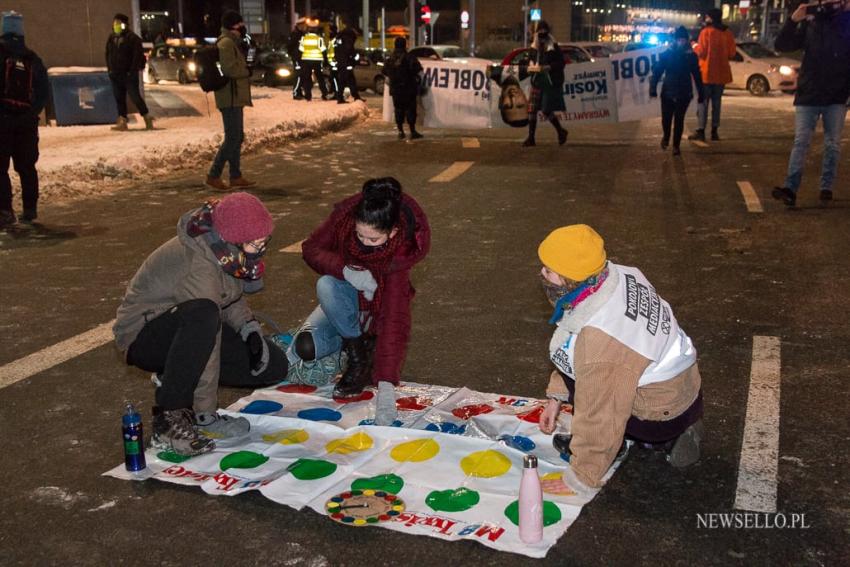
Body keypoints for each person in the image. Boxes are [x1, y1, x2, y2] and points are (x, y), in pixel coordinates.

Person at [113, 192, 287, 456]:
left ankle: (175, 374)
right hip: (143, 335)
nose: (261, 249)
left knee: (272, 366)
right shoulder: (200, 264)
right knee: (204, 316)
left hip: (189, 323)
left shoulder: (223, 250)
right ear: (233, 239)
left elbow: (227, 293)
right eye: (255, 243)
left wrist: (247, 327)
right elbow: (207, 332)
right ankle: (169, 418)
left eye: (265, 241)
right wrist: (206, 414)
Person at [536, 225, 704, 494]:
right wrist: (557, 396)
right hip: (683, 390)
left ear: (570, 280)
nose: (542, 274)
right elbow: (571, 338)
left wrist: (580, 476)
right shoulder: (616, 275)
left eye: (548, 271)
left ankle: (650, 439)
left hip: (661, 413)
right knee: (591, 370)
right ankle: (677, 427)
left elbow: (601, 412)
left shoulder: (600, 342)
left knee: (595, 392)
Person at [291, 178, 430, 423]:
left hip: (374, 316)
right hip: (344, 303)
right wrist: (346, 270)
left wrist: (386, 387)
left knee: (374, 343)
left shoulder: (400, 254)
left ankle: (361, 356)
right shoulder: (344, 218)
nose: (364, 244)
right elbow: (311, 248)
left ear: (393, 232)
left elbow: (394, 320)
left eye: (373, 240)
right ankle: (357, 350)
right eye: (359, 235)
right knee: (307, 345)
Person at [772, 0, 850, 208]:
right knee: (801, 141)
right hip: (809, 94)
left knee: (832, 144)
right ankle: (790, 189)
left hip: (836, 95)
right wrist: (792, 20)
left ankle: (826, 187)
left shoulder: (846, 22)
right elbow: (781, 45)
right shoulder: (811, 23)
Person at [0, 11, 48, 228]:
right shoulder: (32, 58)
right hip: (27, 123)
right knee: (27, 167)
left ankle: (4, 211)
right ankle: (30, 209)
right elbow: (43, 91)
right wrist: (31, 113)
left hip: (2, 121)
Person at [206, 10, 256, 191]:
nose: (242, 27)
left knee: (237, 137)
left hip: (235, 96)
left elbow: (247, 56)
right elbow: (229, 69)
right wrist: (246, 72)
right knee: (233, 137)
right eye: (240, 24)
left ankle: (235, 175)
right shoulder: (226, 43)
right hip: (229, 96)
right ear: (233, 26)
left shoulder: (233, 43)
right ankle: (214, 174)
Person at [650, 26, 704, 156]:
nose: (681, 42)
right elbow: (657, 72)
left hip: (684, 92)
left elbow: (697, 74)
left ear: (687, 40)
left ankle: (676, 146)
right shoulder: (667, 55)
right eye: (679, 39)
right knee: (666, 119)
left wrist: (701, 93)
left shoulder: (691, 57)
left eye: (683, 40)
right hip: (668, 91)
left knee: (679, 120)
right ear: (675, 40)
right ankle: (666, 137)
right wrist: (653, 88)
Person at [688, 8, 735, 142]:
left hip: (707, 74)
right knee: (717, 102)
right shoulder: (728, 33)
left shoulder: (706, 32)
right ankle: (714, 131)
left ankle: (701, 130)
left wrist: (694, 45)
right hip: (722, 74)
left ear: (711, 18)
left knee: (702, 102)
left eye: (707, 17)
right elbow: (732, 53)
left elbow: (701, 52)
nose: (705, 19)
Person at [105, 13, 153, 131]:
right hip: (115, 74)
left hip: (128, 75)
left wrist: (131, 71)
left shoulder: (133, 38)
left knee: (135, 97)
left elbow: (137, 57)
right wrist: (110, 69)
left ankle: (147, 118)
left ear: (124, 24)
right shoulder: (111, 38)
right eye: (114, 23)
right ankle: (122, 121)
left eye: (118, 23)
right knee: (119, 98)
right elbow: (108, 54)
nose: (116, 25)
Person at [523, 21, 568, 147]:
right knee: (532, 109)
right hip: (537, 80)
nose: (542, 34)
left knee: (546, 110)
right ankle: (531, 138)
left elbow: (561, 63)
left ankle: (561, 131)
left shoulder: (553, 46)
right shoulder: (534, 47)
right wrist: (531, 65)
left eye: (544, 31)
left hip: (549, 81)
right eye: (540, 31)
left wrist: (549, 67)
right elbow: (530, 59)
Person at [384, 37, 424, 140]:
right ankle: (412, 131)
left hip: (396, 90)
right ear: (405, 45)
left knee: (398, 109)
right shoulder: (410, 57)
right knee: (410, 109)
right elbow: (418, 70)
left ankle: (400, 131)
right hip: (409, 88)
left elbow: (384, 71)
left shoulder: (390, 59)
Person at [298, 21, 330, 101]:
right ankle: (324, 94)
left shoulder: (304, 38)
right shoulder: (319, 39)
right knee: (320, 78)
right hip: (317, 61)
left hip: (306, 60)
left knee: (307, 77)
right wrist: (325, 60)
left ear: (308, 30)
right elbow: (323, 50)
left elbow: (300, 50)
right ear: (316, 30)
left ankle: (308, 95)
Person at [332, 26, 363, 104]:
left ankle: (355, 96)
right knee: (346, 81)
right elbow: (349, 50)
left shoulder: (338, 38)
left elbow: (336, 50)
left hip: (341, 62)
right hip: (346, 63)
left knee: (348, 80)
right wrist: (355, 57)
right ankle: (342, 98)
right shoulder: (348, 38)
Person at [287, 19, 308, 100]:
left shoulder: (302, 34)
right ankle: (296, 93)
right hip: (297, 58)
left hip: (302, 58)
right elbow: (290, 46)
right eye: (303, 25)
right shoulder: (295, 34)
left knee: (302, 75)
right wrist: (293, 56)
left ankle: (299, 92)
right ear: (299, 25)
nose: (305, 27)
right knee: (298, 75)